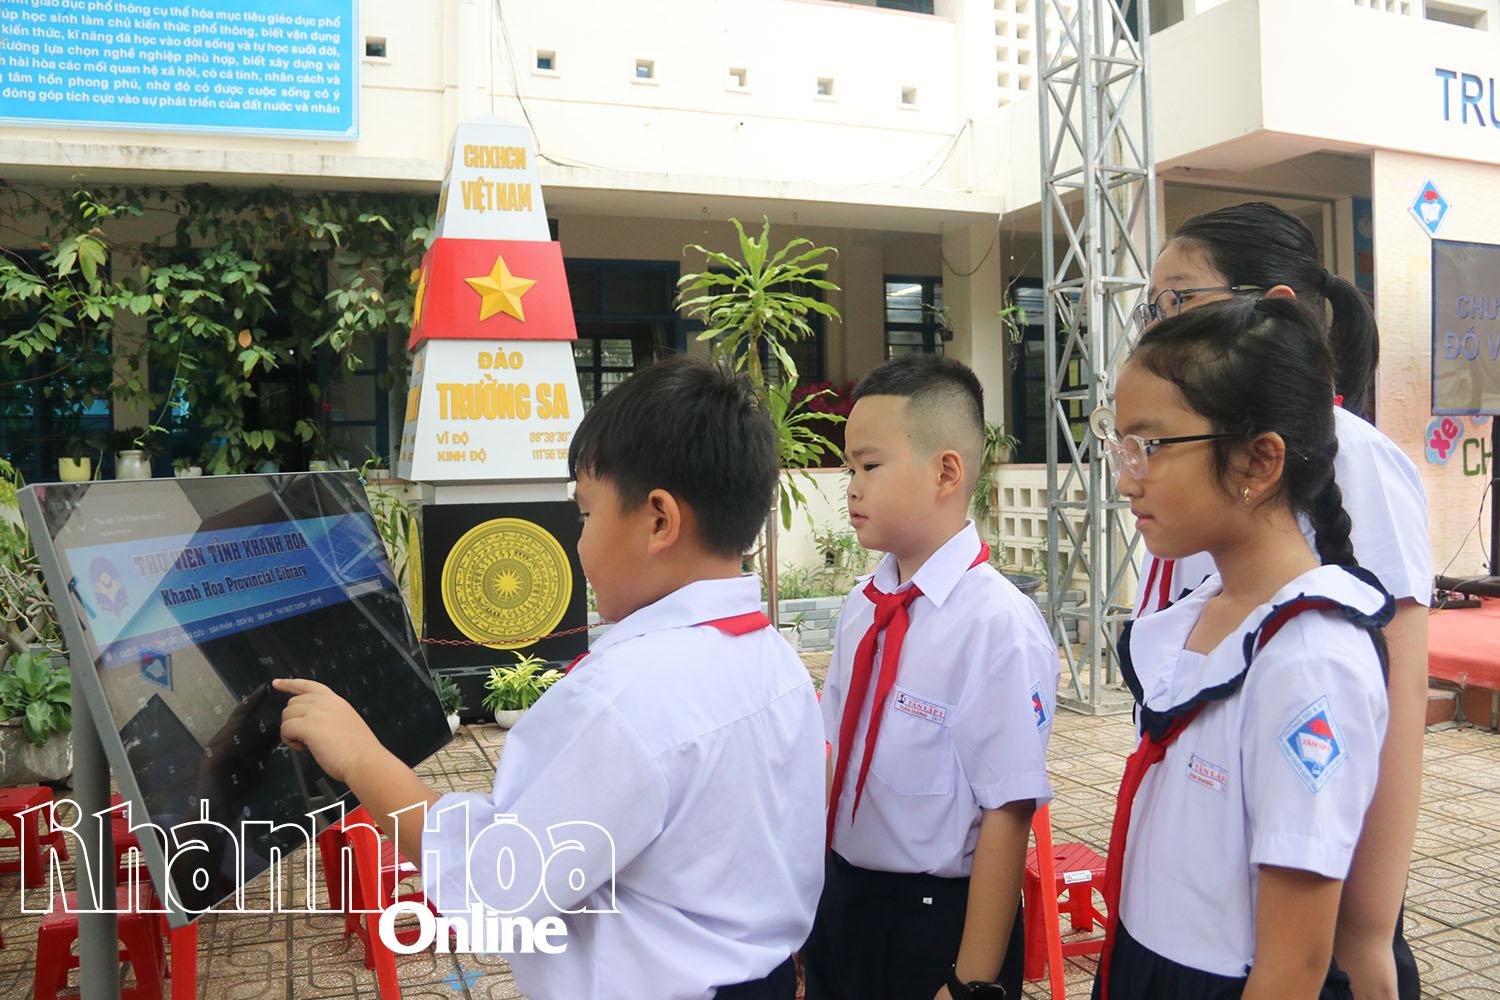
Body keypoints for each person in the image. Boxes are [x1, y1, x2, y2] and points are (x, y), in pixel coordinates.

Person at [276, 355, 827, 999]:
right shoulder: (773, 657)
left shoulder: (626, 695)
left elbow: (497, 880)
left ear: (658, 520)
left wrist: (359, 757)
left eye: (586, 515)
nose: (578, 541)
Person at [1131, 202, 1429, 1000]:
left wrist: (1367, 932)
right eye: (1150, 307)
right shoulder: (1188, 455)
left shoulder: (1352, 457)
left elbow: (1396, 685)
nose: (1157, 324)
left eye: (1181, 302)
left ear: (1276, 312)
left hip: (1311, 882)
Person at [802, 354, 1057, 1000]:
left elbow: (1009, 809)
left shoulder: (996, 623)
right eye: (848, 467)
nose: (850, 486)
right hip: (847, 901)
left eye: (869, 465)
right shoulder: (863, 608)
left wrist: (968, 981)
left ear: (946, 471)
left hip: (935, 921)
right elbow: (835, 759)